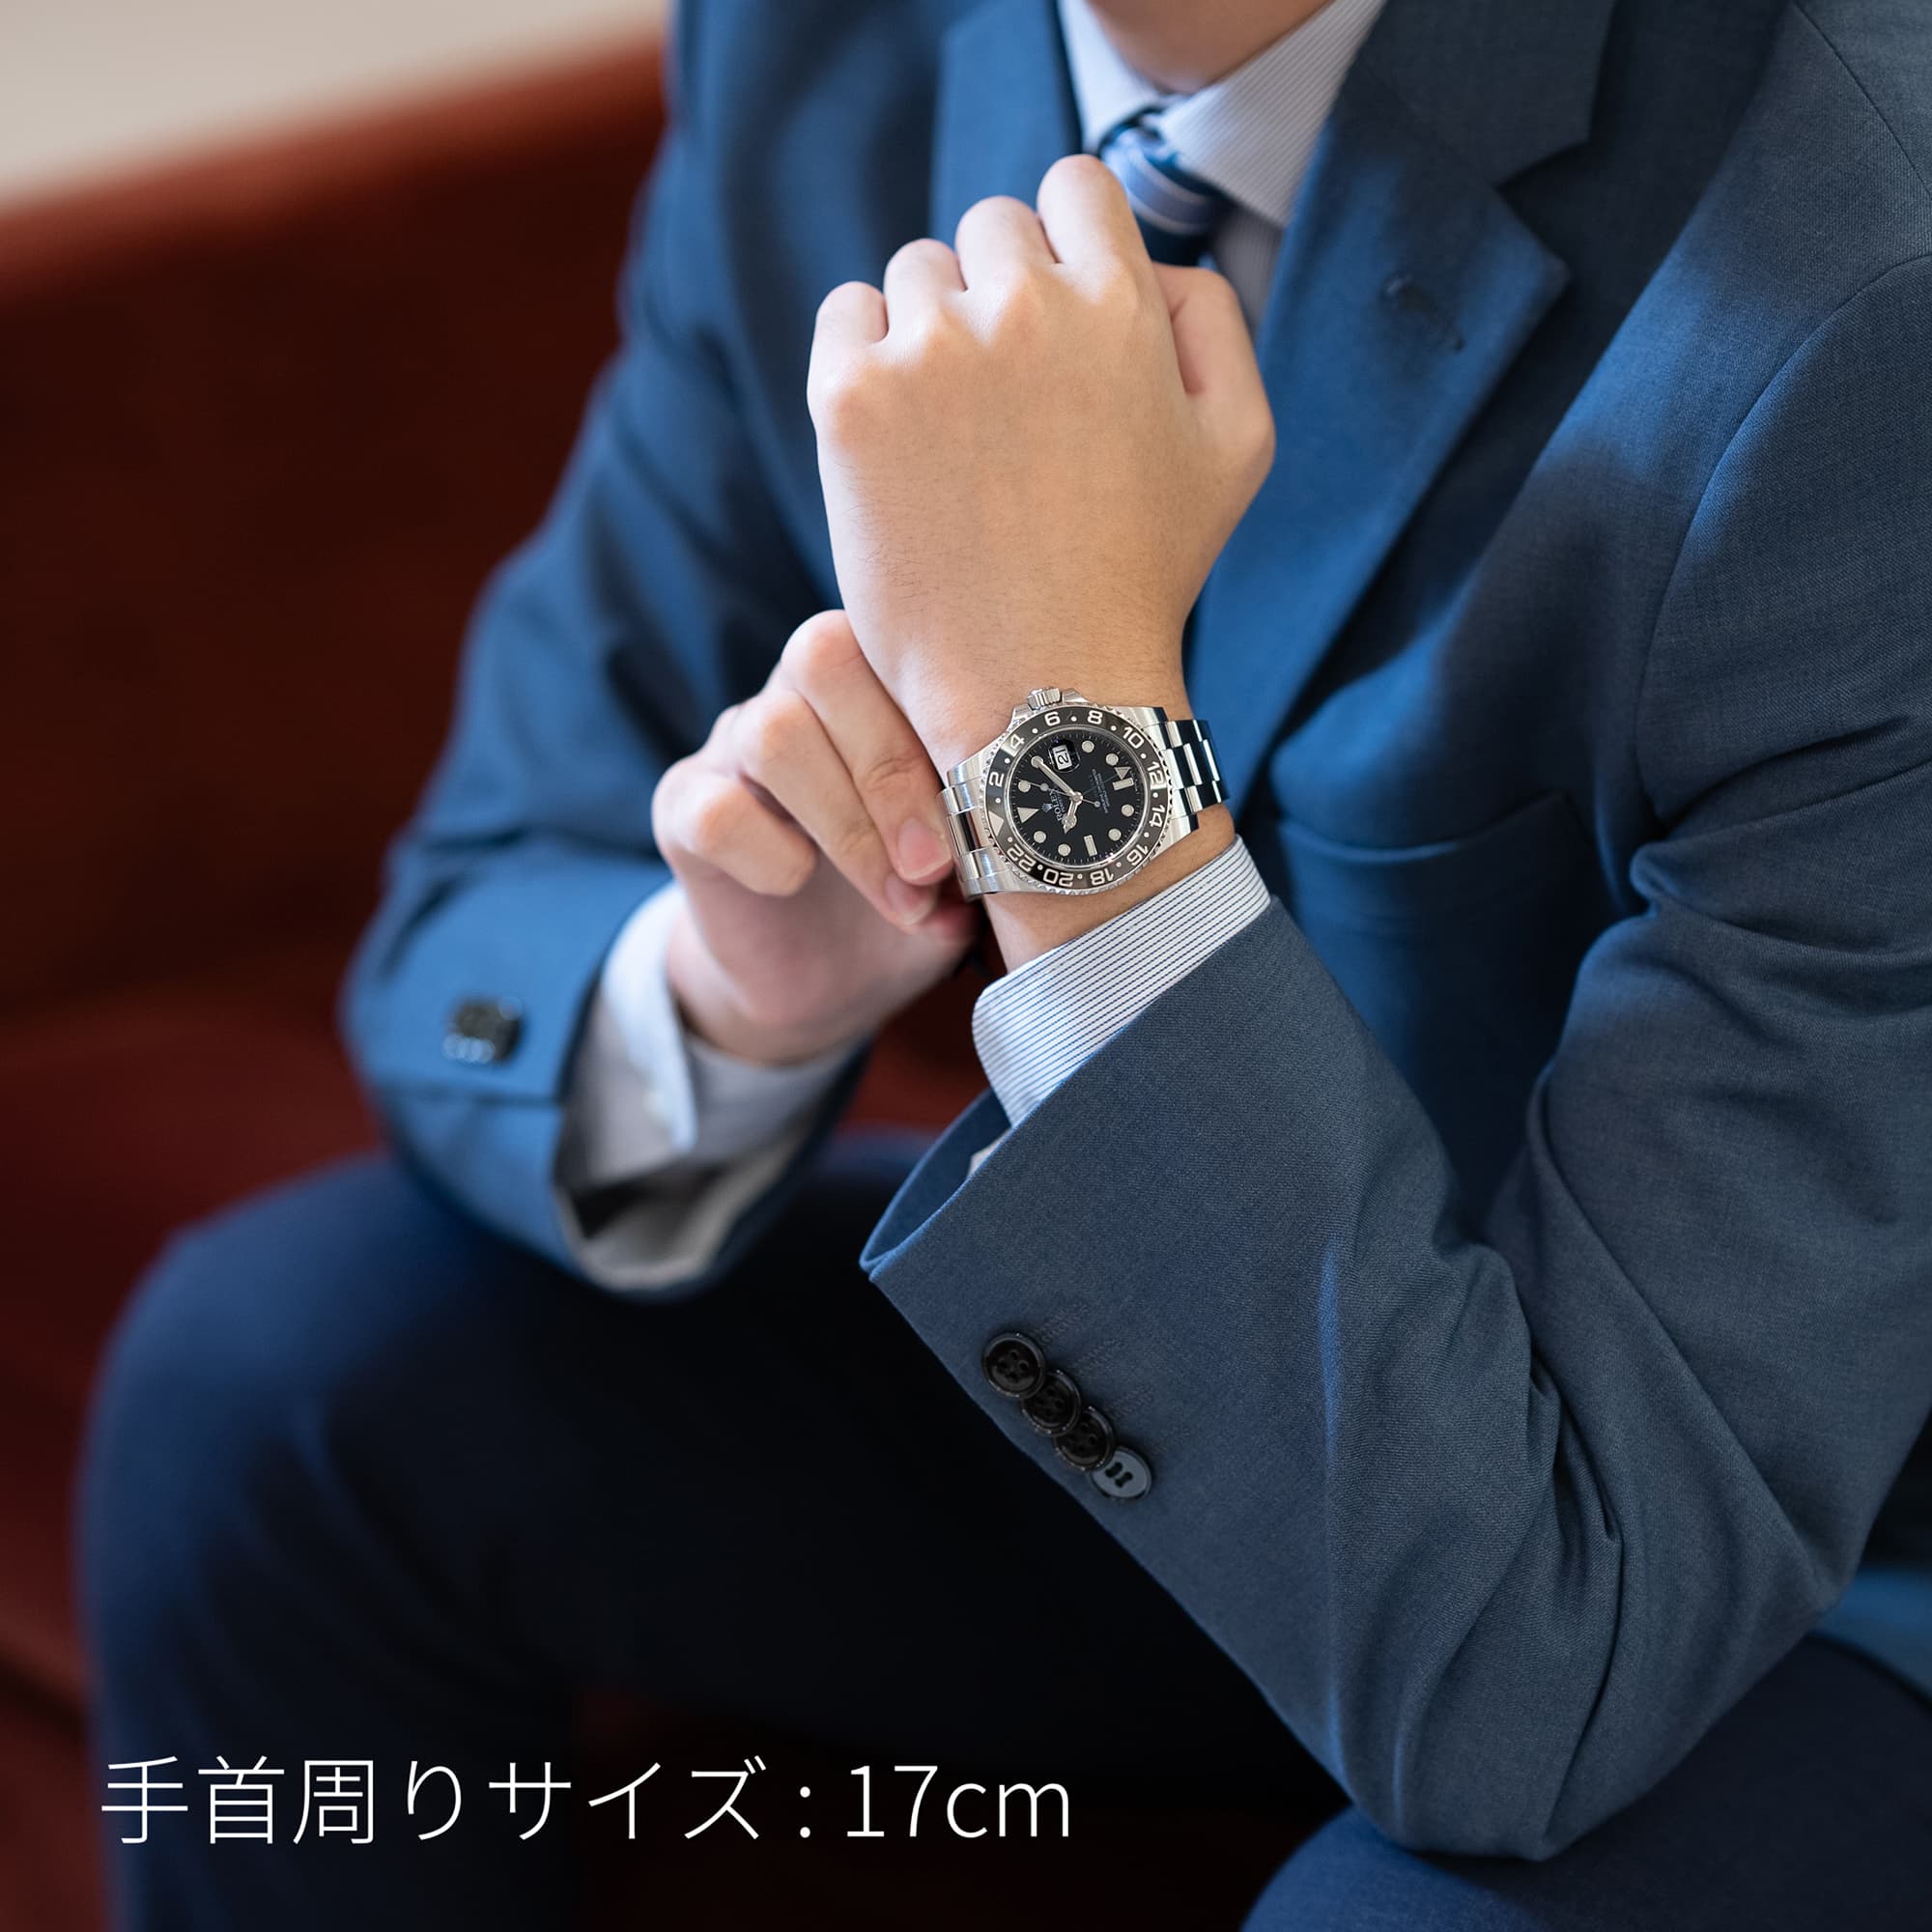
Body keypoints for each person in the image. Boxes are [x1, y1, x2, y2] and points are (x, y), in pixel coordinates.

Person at [82, 0, 1932, 1924]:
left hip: (1759, 1542)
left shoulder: (1865, 284)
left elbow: (1534, 1663)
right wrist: (743, 989)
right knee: (263, 1385)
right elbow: (480, 910)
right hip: (1257, 1369)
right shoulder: (819, 43)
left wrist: (1059, 742)